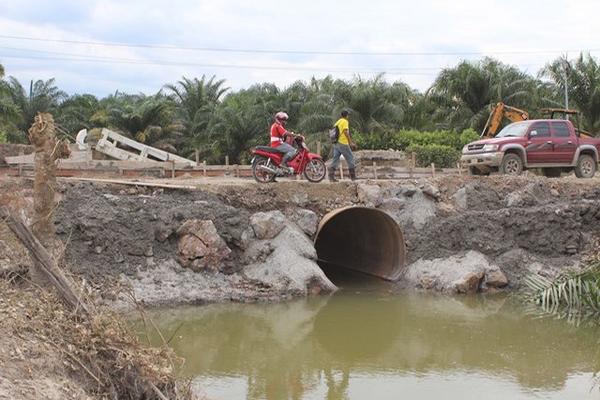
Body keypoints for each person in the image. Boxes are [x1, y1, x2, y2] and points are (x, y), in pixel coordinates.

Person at [329, 109, 357, 182]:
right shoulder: (345, 122)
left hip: (336, 143)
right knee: (350, 158)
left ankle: (331, 176)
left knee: (335, 159)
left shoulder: (338, 122)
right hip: (343, 143)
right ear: (347, 116)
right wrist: (350, 142)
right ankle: (353, 177)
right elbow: (345, 132)